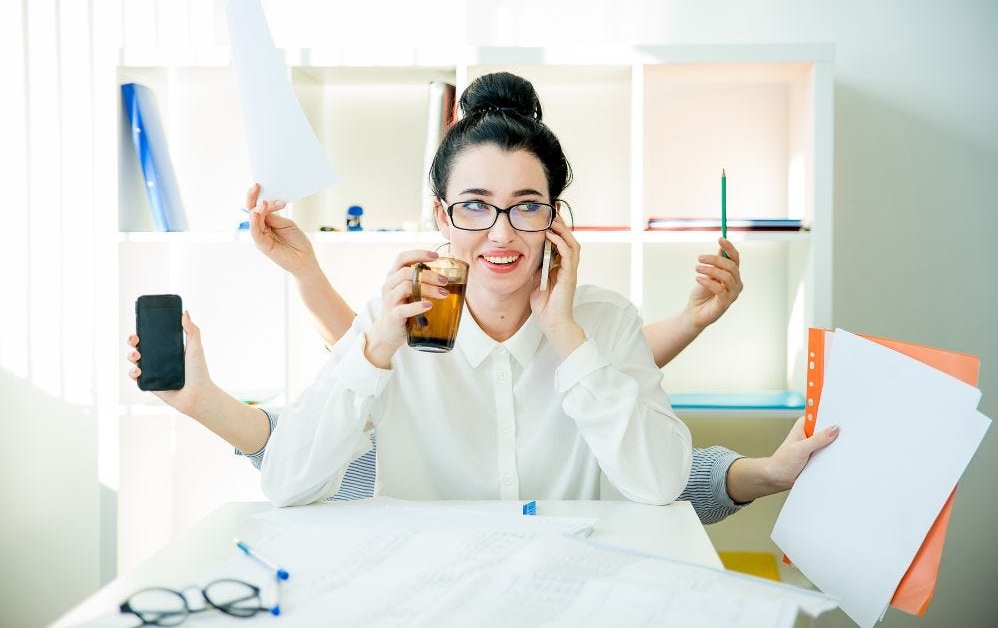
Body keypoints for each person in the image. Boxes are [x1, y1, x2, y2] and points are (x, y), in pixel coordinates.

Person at [128, 72, 838, 519]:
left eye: (526, 205)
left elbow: (659, 483)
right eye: (474, 205)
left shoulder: (604, 323)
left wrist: (566, 335)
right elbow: (288, 479)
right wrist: (372, 350)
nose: (501, 232)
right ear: (442, 217)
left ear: (557, 217)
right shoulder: (399, 321)